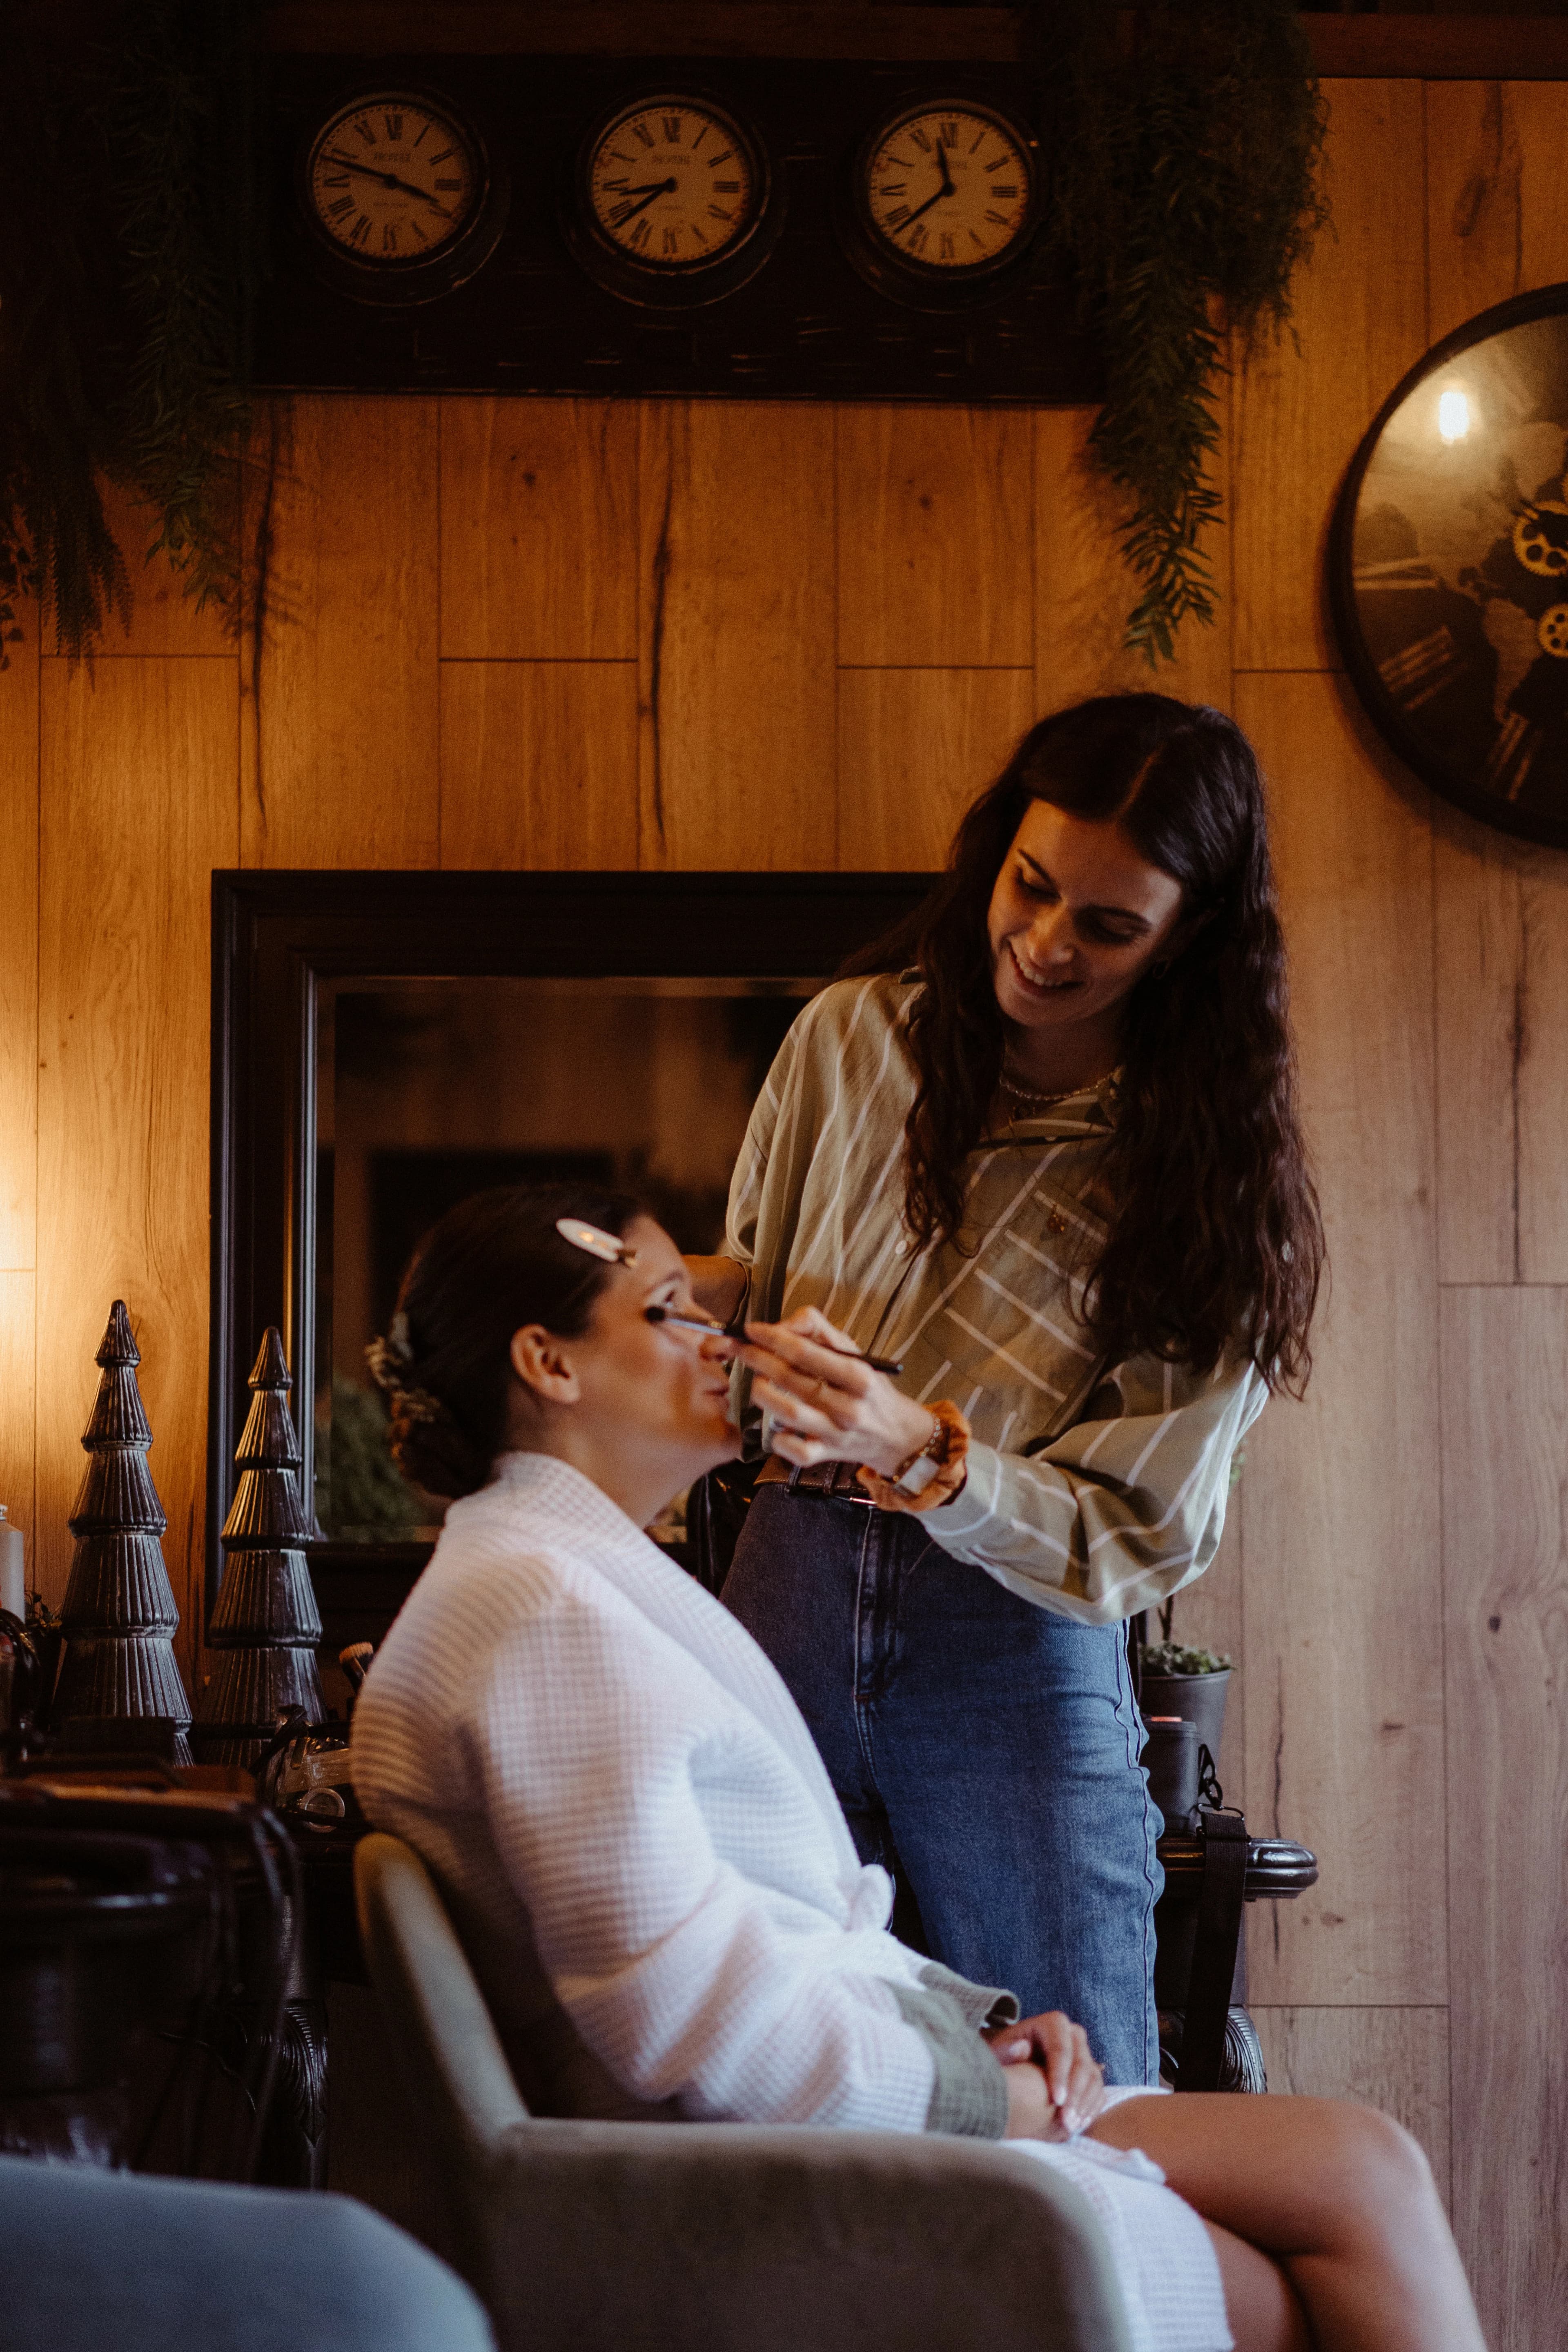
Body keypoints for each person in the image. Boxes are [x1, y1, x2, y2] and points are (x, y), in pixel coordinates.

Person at [352, 1185, 1483, 2352]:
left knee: (1364, 2165)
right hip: (776, 2176)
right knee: (1309, 2277)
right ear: (551, 1363)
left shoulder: (553, 1587)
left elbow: (752, 1954)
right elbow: (691, 2025)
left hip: (814, 2114)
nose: (725, 1342)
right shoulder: (539, 1616)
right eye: (669, 1311)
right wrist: (988, 2098)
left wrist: (970, 2033)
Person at [687, 695, 1325, 2085]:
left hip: (1014, 1659)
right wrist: (643, 1295)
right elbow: (756, 1266)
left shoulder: (1210, 1188)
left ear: (1191, 941)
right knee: (770, 2088)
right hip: (779, 1590)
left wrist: (919, 1443)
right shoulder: (850, 1040)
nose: (1043, 944)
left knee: (1080, 2111)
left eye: (1108, 925)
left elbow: (1139, 1534)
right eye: (1030, 887)